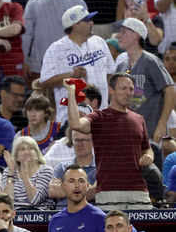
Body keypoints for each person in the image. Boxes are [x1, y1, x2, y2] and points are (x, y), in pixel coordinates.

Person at [65, 73, 154, 209]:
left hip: (139, 191)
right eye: (123, 88)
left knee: (146, 229)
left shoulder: (139, 119)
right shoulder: (98, 117)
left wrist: (149, 155)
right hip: (109, 192)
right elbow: (76, 124)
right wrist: (71, 94)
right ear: (111, 90)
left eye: (131, 89)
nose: (128, 92)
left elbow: (146, 148)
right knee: (111, 231)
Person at [40, 5, 116, 124]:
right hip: (71, 119)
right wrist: (71, 75)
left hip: (102, 115)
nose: (92, 23)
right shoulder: (55, 49)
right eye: (87, 20)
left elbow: (110, 74)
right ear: (75, 25)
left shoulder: (99, 41)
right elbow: (45, 82)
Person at [115, 17, 175, 142]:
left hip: (151, 134)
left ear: (136, 35)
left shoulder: (151, 61)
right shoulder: (122, 65)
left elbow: (170, 91)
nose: (118, 36)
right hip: (128, 133)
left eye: (123, 32)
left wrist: (162, 124)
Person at [21, 0, 86, 82]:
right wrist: (24, 61)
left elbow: (84, 36)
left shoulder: (77, 3)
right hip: (38, 69)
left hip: (71, 69)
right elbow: (26, 35)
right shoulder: (33, 2)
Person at [1, 135, 54, 208]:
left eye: (31, 149)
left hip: (38, 215)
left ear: (36, 153)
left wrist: (25, 175)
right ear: (16, 155)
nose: (26, 152)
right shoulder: (8, 171)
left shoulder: (46, 171)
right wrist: (11, 172)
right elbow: (5, 201)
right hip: (12, 215)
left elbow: (35, 200)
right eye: (22, 149)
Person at [48, 131, 97, 207]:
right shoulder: (62, 167)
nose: (80, 144)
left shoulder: (100, 167)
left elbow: (95, 192)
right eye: (76, 140)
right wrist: (86, 189)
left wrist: (66, 188)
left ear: (93, 142)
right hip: (62, 215)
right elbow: (53, 191)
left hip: (88, 215)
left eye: (84, 140)